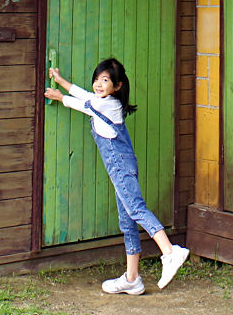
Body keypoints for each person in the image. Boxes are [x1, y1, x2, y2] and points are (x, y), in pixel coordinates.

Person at [45, 58, 189, 295]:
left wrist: (60, 96)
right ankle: (132, 278)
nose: (98, 84)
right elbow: (85, 96)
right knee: (127, 219)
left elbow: (84, 104)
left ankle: (170, 252)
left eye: (105, 80)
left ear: (117, 86)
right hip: (118, 168)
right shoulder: (100, 100)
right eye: (97, 79)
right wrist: (62, 82)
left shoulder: (109, 105)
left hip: (121, 166)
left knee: (135, 208)